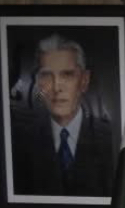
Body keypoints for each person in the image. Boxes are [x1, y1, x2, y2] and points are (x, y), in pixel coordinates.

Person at [10, 33, 116, 197]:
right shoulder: (20, 142)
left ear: (84, 80)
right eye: (47, 75)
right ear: (38, 82)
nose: (56, 87)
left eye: (67, 74)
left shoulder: (111, 139)